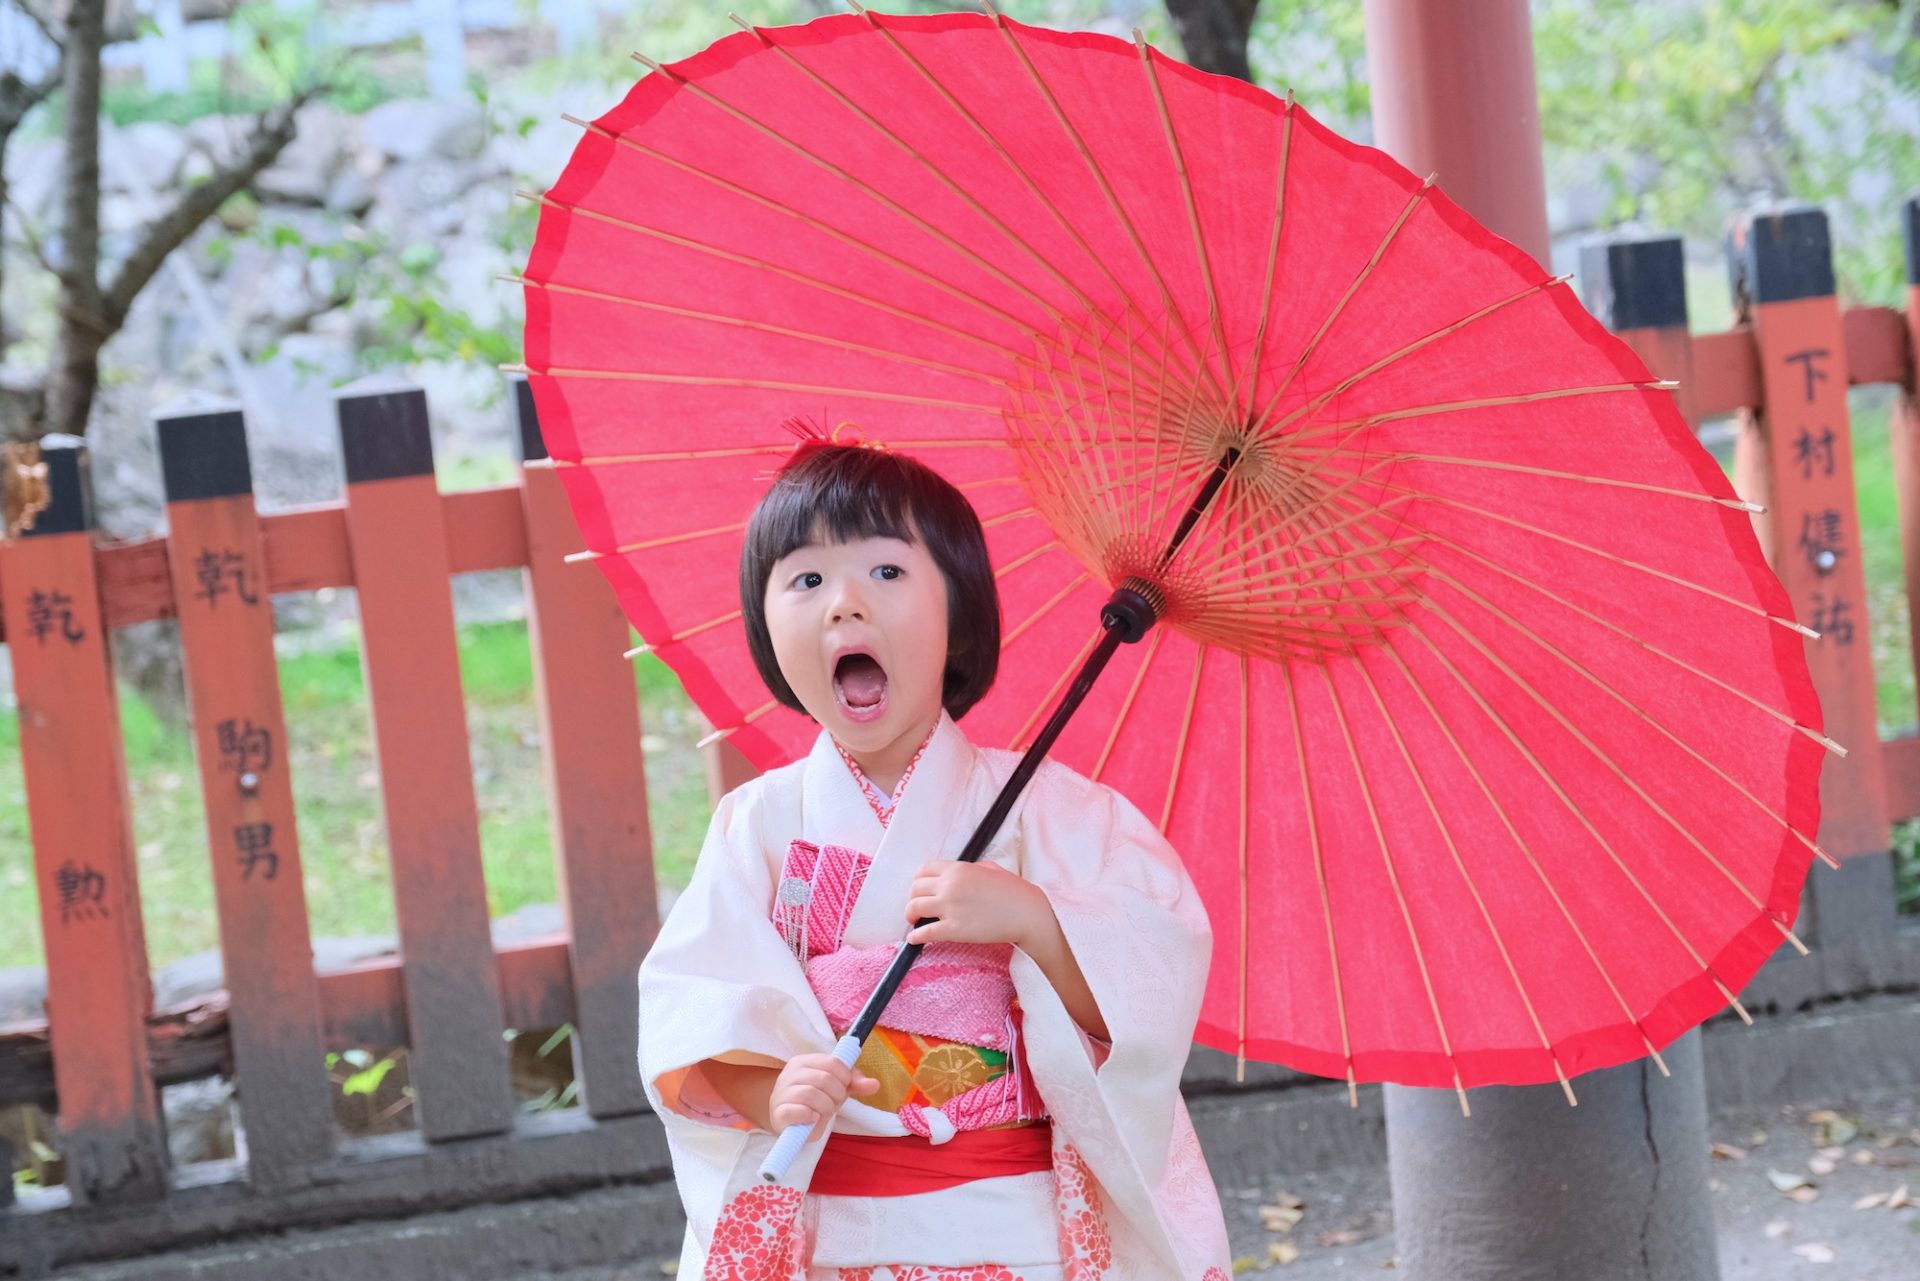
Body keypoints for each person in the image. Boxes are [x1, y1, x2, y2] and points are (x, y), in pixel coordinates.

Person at [638, 427, 1232, 1280]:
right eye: (806, 579)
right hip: (835, 1229)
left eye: (886, 571)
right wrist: (769, 1091)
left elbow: (1150, 983)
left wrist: (1035, 920)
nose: (844, 601)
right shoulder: (757, 823)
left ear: (959, 618)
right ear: (767, 630)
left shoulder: (1045, 810)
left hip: (1014, 1227)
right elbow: (698, 1014)